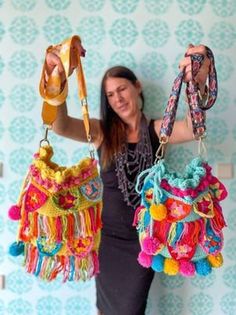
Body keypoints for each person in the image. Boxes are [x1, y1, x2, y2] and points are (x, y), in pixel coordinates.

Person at [44, 42, 210, 315]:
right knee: (105, 309)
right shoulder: (101, 132)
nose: (117, 99)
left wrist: (197, 83)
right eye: (110, 95)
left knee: (130, 309)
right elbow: (58, 125)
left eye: (122, 89)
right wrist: (57, 77)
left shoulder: (158, 130)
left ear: (137, 87)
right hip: (107, 239)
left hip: (144, 241)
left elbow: (194, 128)